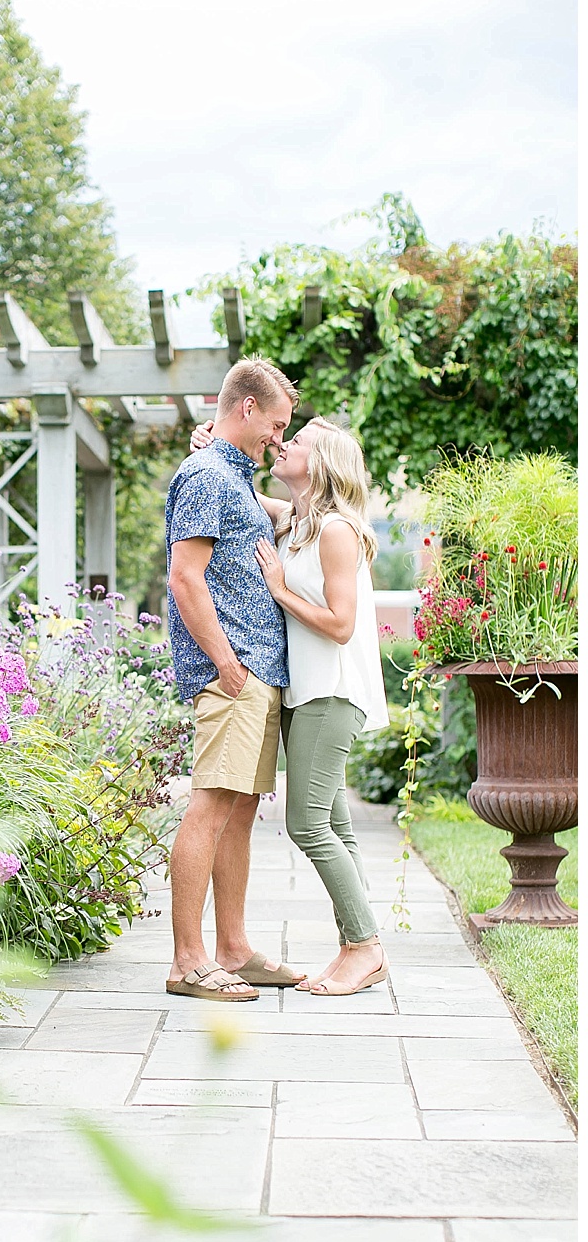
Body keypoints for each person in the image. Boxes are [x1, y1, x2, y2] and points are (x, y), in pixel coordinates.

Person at [162, 358, 302, 1002]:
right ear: (247, 409)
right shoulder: (208, 476)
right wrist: (224, 664)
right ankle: (188, 961)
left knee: (240, 811)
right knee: (212, 804)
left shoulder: (234, 478)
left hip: (255, 668)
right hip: (233, 671)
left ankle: (234, 948)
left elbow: (299, 508)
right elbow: (186, 577)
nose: (278, 438)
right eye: (276, 425)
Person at [252, 420, 391, 993]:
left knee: (306, 822)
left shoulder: (336, 530)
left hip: (332, 690)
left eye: (298, 441)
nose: (284, 444)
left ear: (322, 463)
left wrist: (282, 591)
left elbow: (340, 625)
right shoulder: (296, 522)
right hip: (305, 691)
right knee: (335, 825)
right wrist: (216, 448)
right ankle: (357, 947)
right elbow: (242, 492)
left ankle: (364, 946)